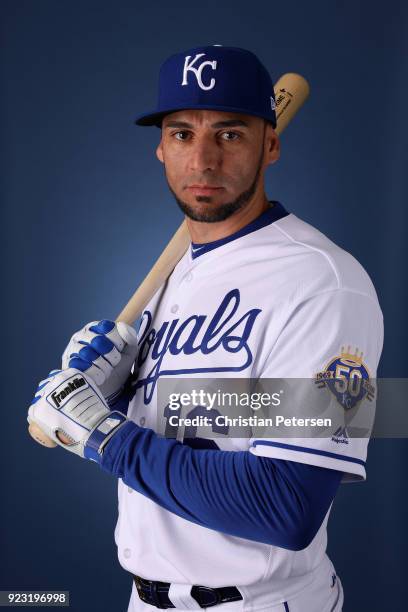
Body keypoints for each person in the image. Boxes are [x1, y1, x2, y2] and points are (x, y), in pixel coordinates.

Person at [28, 46, 384, 611]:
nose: (202, 162)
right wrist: (113, 390)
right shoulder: (176, 276)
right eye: (182, 134)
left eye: (229, 134)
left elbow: (286, 507)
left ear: (270, 144)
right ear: (160, 147)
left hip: (263, 602)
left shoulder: (323, 282)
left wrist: (104, 436)